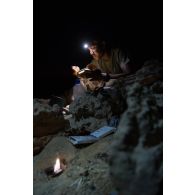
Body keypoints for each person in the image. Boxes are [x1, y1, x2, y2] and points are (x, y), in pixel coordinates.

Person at [72, 40, 138, 92]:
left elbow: (129, 74)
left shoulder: (117, 53)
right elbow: (87, 71)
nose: (91, 53)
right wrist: (78, 72)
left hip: (127, 86)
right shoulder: (95, 61)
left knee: (111, 83)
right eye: (89, 49)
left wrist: (108, 76)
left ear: (103, 45)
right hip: (111, 89)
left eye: (93, 48)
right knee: (80, 84)